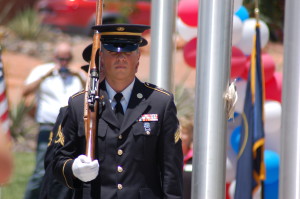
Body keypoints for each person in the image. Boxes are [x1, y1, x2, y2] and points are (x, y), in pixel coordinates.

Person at [53, 24, 183, 199]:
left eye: (128, 53)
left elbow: (171, 170)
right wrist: (74, 169)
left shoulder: (160, 102)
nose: (121, 58)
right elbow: (57, 162)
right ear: (101, 58)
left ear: (138, 59)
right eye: (113, 52)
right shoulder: (80, 104)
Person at [22, 42, 85, 199]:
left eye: (67, 58)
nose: (63, 62)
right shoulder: (42, 71)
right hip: (48, 127)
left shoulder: (77, 74)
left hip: (70, 130)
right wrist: (45, 76)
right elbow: (25, 91)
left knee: (67, 169)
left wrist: (79, 75)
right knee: (41, 170)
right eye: (60, 58)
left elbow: (90, 93)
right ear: (54, 57)